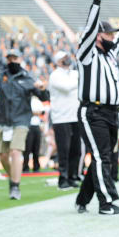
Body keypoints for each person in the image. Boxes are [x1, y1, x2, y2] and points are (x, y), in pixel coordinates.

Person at [73, 0, 119, 216]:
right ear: (99, 37)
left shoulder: (110, 56)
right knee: (102, 157)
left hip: (111, 112)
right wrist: (97, 0)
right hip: (93, 111)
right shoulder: (87, 54)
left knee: (104, 156)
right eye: (108, 34)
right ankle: (106, 203)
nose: (112, 37)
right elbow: (89, 30)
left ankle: (83, 198)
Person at [0, 49, 49, 200]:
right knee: (2, 156)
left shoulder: (27, 77)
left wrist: (43, 89)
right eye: (9, 58)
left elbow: (43, 97)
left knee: (16, 152)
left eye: (14, 58)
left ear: (19, 59)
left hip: (21, 120)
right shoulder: (0, 76)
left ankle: (15, 186)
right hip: (2, 121)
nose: (11, 61)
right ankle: (13, 178)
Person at [49, 51, 81, 189]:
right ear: (58, 61)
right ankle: (63, 179)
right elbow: (67, 87)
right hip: (61, 117)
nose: (67, 59)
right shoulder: (55, 75)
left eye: (68, 57)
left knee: (76, 149)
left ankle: (72, 176)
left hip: (75, 115)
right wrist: (79, 80)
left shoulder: (74, 74)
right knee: (64, 150)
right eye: (64, 58)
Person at [23, 97, 45, 173]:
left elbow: (42, 112)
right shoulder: (26, 100)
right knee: (27, 148)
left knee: (36, 148)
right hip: (29, 125)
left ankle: (36, 166)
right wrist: (34, 112)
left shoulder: (38, 101)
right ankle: (25, 166)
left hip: (37, 125)